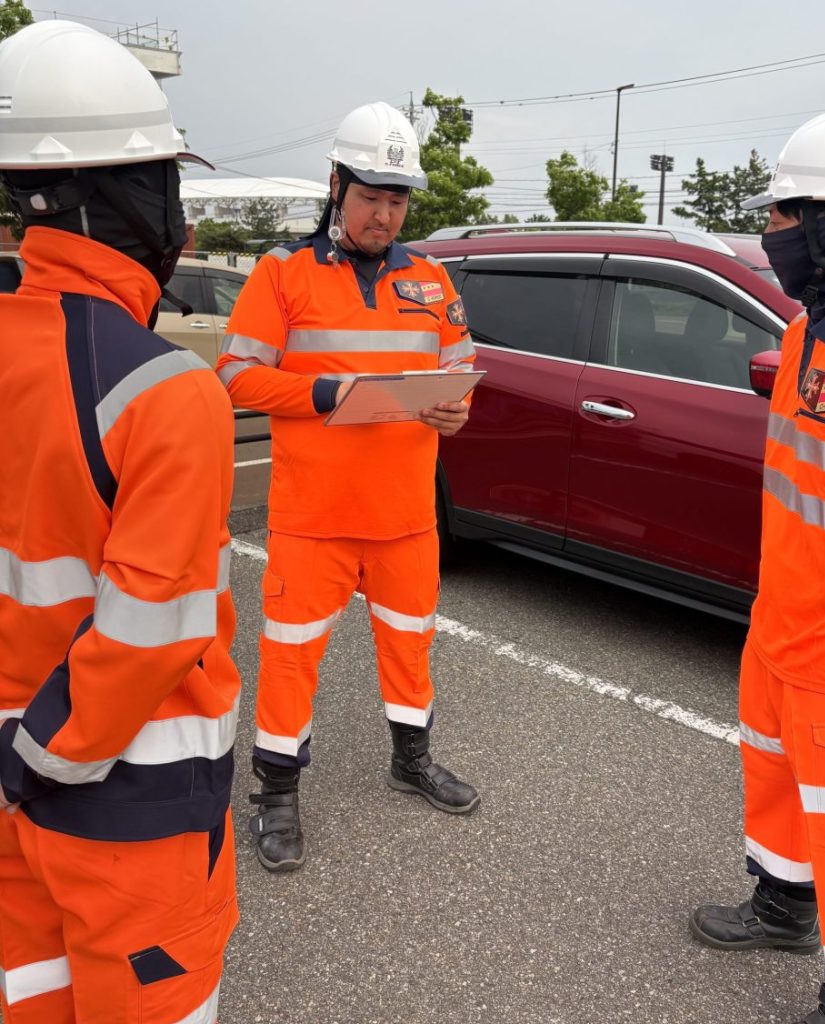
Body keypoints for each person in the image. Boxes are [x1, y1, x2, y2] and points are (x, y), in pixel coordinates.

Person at [0, 21, 240, 1023]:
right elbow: (154, 627)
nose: (176, 216)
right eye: (164, 186)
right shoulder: (165, 390)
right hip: (123, 803)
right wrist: (42, 762)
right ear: (128, 199)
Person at [216, 100, 480, 873]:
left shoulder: (431, 280)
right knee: (292, 657)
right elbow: (234, 375)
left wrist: (458, 410)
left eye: (396, 200)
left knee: (410, 647)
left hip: (406, 517)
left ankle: (411, 758)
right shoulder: (280, 274)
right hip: (312, 519)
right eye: (369, 196)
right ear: (336, 186)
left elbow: (460, 373)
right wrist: (324, 395)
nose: (383, 214)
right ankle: (275, 793)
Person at [689, 108, 825, 1024]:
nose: (769, 233)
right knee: (774, 777)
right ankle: (782, 905)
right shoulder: (812, 326)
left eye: (783, 217)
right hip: (780, 624)